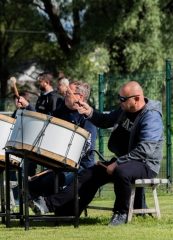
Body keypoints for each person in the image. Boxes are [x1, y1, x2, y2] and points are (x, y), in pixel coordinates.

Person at [29, 81, 163, 227]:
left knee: (121, 171)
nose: (119, 101)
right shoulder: (124, 111)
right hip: (125, 161)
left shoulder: (151, 117)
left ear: (136, 99)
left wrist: (117, 163)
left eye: (123, 99)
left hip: (146, 164)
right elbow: (105, 120)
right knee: (87, 175)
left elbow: (145, 150)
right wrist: (89, 112)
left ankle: (121, 213)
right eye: (119, 97)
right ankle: (51, 205)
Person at [29, 81, 97, 197]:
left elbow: (86, 148)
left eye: (68, 93)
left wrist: (63, 164)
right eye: (65, 92)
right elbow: (46, 121)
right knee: (32, 184)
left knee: (48, 182)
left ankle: (54, 206)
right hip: (60, 164)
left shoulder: (87, 117)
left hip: (80, 166)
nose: (65, 95)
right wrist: (28, 106)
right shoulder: (62, 111)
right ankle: (44, 208)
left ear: (80, 96)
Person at [10, 92, 36, 203]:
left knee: (25, 173)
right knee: (11, 170)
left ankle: (28, 197)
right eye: (15, 101)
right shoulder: (16, 112)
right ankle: (16, 197)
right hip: (16, 146)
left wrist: (27, 106)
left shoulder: (30, 111)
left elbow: (35, 114)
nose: (17, 103)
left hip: (29, 147)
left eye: (18, 100)